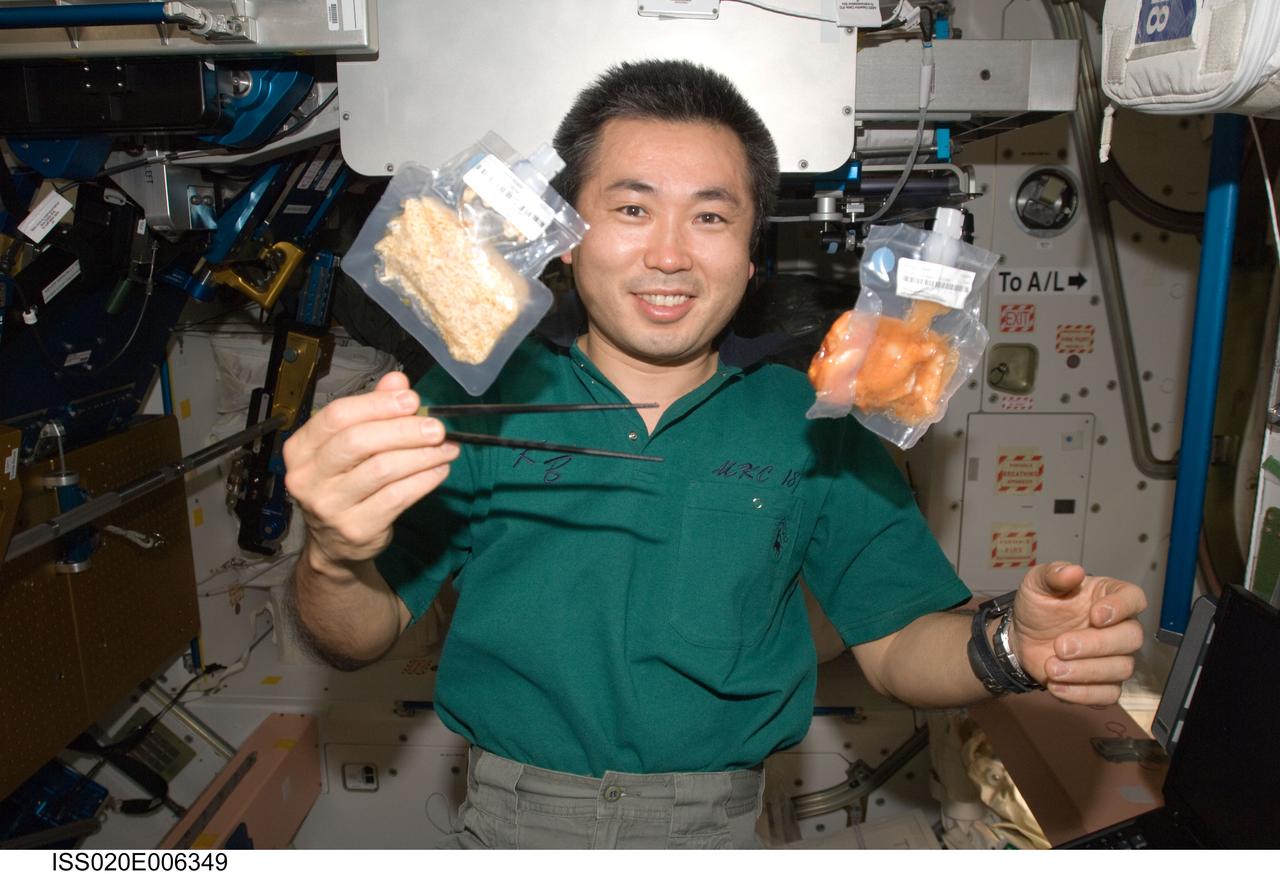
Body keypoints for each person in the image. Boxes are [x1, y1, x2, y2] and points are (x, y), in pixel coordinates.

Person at [283, 60, 1148, 849]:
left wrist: (1011, 647)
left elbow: (897, 643)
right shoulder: (471, 401)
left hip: (717, 829)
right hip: (511, 823)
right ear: (567, 234)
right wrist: (330, 556)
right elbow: (360, 633)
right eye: (632, 209)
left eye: (710, 216)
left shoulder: (814, 422)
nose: (669, 254)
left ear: (750, 250)